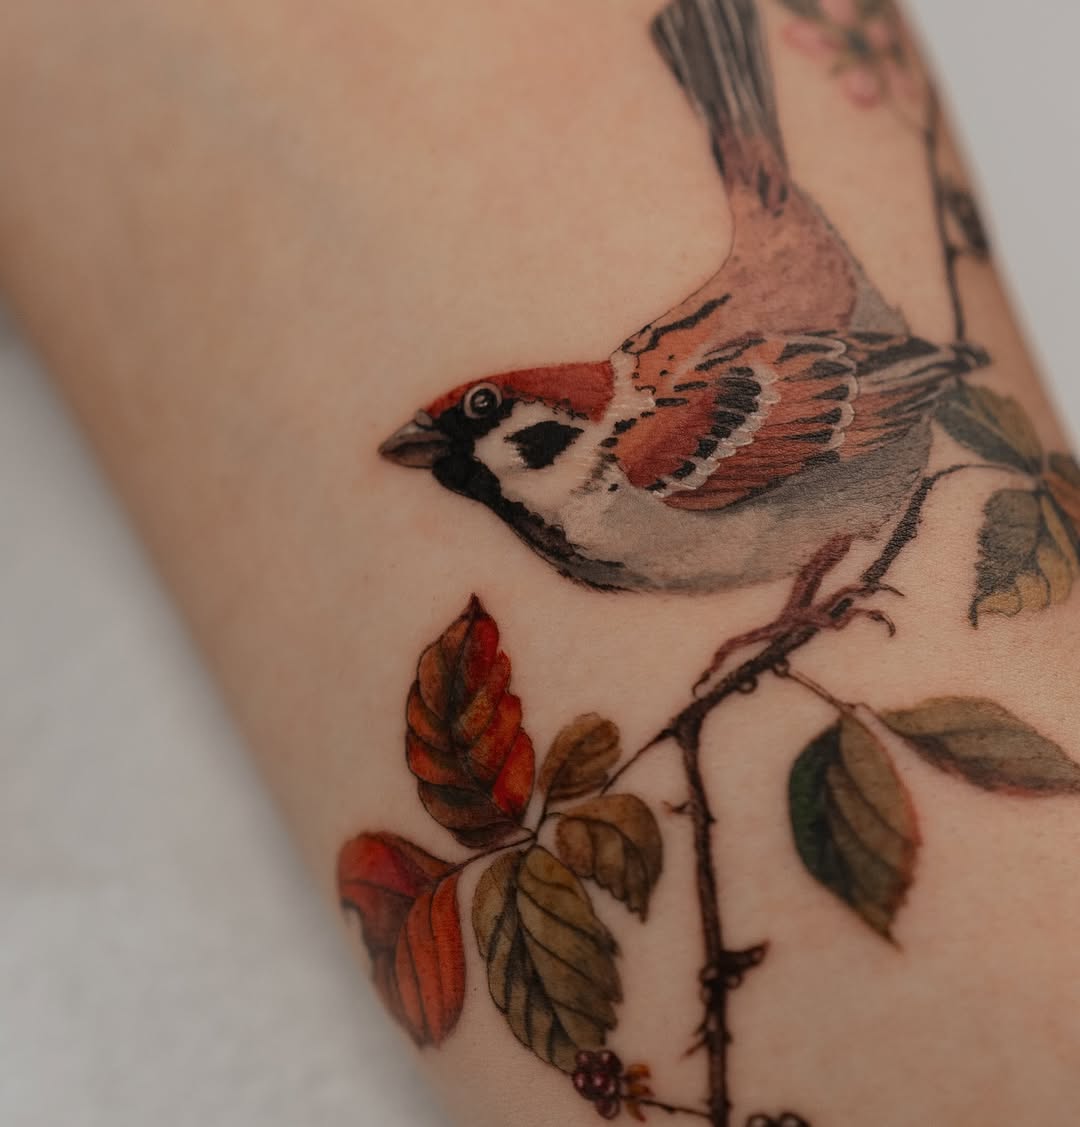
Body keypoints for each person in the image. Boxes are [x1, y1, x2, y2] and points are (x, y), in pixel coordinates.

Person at [2, 2, 1079, 1123]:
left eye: (478, 426)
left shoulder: (653, 457)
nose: (450, 454)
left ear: (551, 432)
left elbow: (850, 404)